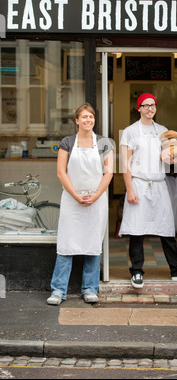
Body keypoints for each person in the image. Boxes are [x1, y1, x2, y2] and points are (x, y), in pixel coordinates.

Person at [119, 92, 177, 288]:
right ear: (138, 108)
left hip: (159, 184)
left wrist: (173, 158)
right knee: (137, 230)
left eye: (152, 105)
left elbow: (168, 158)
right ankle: (136, 271)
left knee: (166, 228)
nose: (149, 108)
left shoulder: (162, 131)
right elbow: (125, 164)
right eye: (145, 105)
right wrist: (129, 190)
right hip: (138, 183)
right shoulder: (130, 132)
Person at [47, 103, 114, 305]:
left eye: (91, 117)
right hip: (71, 200)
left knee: (93, 244)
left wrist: (95, 195)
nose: (88, 120)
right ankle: (58, 290)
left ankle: (90, 288)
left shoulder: (105, 142)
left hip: (96, 200)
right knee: (67, 244)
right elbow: (61, 172)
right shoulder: (67, 142)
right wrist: (76, 196)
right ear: (77, 120)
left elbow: (109, 172)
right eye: (84, 117)